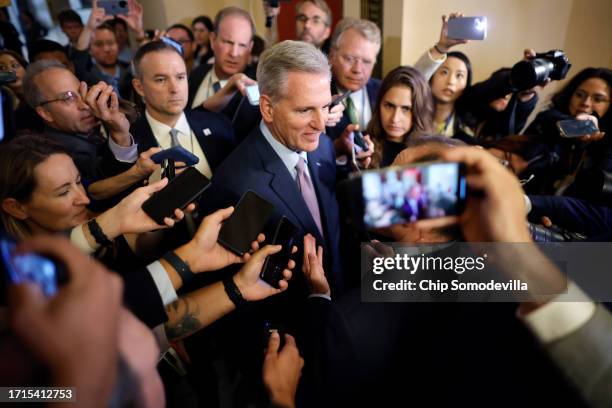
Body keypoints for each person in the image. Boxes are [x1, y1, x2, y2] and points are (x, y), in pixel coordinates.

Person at [201, 40, 343, 295]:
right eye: (304, 110)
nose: (321, 124)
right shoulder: (235, 187)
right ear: (267, 108)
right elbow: (235, 290)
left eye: (325, 106)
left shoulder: (323, 146)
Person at [22, 60, 156, 204]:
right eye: (68, 98)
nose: (84, 105)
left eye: (81, 92)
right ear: (45, 113)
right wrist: (119, 135)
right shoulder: (56, 156)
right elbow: (98, 190)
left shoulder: (96, 126)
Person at [130, 40, 236, 180]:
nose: (174, 89)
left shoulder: (219, 125)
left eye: (180, 77)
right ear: (139, 87)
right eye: (161, 79)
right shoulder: (128, 144)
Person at [525, 67, 611, 202]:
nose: (585, 103)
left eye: (598, 99)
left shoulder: (607, 146)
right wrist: (578, 126)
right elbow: (549, 119)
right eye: (579, 95)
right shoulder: (550, 119)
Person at [188, 6, 256, 119]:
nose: (234, 53)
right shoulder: (197, 73)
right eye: (228, 42)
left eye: (242, 45)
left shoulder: (258, 87)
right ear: (213, 40)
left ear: (250, 47)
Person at [366, 66, 434, 167]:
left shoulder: (432, 152)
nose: (395, 119)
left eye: (406, 109)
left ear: (419, 111)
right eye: (389, 106)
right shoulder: (363, 145)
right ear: (379, 104)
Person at [326, 18, 381, 142]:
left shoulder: (383, 92)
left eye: (367, 62)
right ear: (331, 56)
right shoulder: (317, 98)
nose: (357, 70)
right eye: (350, 59)